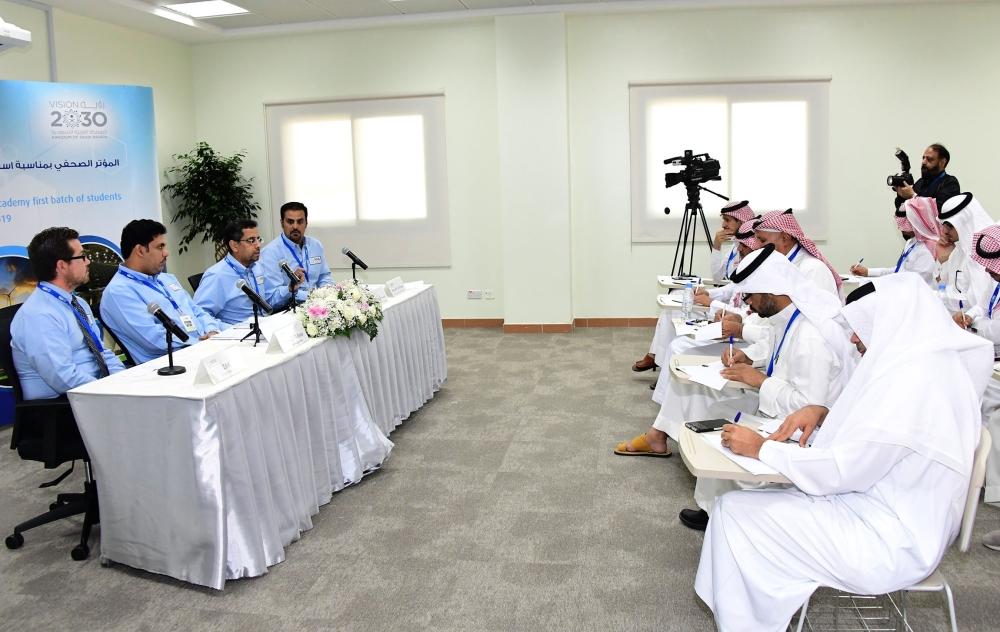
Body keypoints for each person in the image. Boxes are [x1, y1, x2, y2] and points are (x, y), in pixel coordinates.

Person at [695, 273, 991, 632]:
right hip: (882, 507)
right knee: (738, 508)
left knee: (738, 515)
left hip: (890, 539)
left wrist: (763, 450)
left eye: (861, 327)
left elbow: (843, 470)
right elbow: (877, 443)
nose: (853, 338)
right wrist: (823, 415)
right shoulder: (922, 366)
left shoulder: (916, 382)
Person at [676, 245, 856, 530]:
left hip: (807, 434)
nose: (748, 305)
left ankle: (730, 513)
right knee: (717, 411)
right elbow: (778, 350)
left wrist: (758, 380)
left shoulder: (811, 336)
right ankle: (711, 507)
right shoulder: (790, 316)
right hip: (780, 409)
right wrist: (750, 358)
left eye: (750, 296)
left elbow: (809, 408)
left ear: (771, 292)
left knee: (724, 428)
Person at [616, 224, 767, 458]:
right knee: (676, 317)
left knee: (681, 354)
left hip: (756, 361)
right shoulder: (746, 254)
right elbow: (730, 287)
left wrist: (756, 366)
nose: (725, 226)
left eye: (760, 239)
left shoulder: (784, 277)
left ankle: (658, 430)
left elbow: (752, 315)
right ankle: (658, 428)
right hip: (745, 336)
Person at [632, 200, 756, 372]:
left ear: (741, 222)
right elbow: (720, 277)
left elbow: (731, 288)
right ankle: (658, 358)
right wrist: (717, 246)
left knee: (675, 306)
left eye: (728, 220)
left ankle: (659, 360)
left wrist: (710, 299)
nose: (723, 224)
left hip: (729, 311)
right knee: (675, 297)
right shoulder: (736, 248)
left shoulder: (750, 251)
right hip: (724, 302)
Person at [10, 227, 126, 400]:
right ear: (62, 266)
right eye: (82, 256)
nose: (88, 262)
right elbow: (63, 377)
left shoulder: (77, 303)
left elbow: (102, 351)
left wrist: (123, 380)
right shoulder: (39, 315)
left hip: (96, 392)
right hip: (63, 407)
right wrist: (109, 390)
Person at [100, 219, 224, 364]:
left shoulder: (166, 279)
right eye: (160, 247)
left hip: (204, 351)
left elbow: (197, 311)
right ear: (140, 250)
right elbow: (154, 339)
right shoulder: (118, 292)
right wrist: (199, 344)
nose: (166, 253)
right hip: (171, 365)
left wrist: (212, 331)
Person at [957, 224, 1000, 548]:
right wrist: (970, 318)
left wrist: (976, 323)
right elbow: (982, 308)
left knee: (992, 415)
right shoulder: (996, 282)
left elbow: (995, 330)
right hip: (991, 354)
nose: (990, 273)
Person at [258, 201, 333, 308]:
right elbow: (271, 298)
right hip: (288, 310)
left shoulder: (315, 245)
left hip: (317, 306)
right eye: (290, 222)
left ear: (306, 223)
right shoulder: (270, 252)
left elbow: (324, 277)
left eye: (300, 221)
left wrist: (329, 295)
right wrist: (309, 296)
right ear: (282, 223)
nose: (295, 226)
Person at [193, 219, 267, 325]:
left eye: (258, 239)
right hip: (239, 336)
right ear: (234, 246)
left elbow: (267, 300)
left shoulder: (257, 267)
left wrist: (289, 289)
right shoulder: (217, 275)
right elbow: (200, 314)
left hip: (265, 326)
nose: (258, 245)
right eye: (251, 240)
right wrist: (230, 330)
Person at [753, 209, 841, 296]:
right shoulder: (777, 263)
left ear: (785, 238)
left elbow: (822, 309)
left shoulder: (813, 269)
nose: (756, 246)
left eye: (762, 240)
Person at [850, 204, 935, 286]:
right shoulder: (911, 242)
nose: (900, 228)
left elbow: (914, 281)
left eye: (904, 224)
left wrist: (880, 284)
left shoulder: (929, 249)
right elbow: (899, 270)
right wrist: (868, 272)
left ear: (917, 221)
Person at [893, 143, 961, 212]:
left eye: (929, 159)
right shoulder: (920, 182)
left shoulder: (950, 183)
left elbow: (940, 211)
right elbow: (902, 210)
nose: (923, 162)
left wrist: (912, 196)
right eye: (923, 158)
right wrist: (901, 194)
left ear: (942, 162)